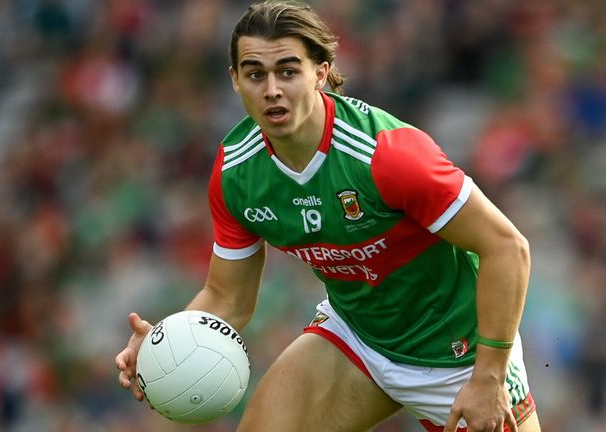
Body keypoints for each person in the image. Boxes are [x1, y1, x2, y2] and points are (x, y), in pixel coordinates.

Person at [115, 1, 541, 431]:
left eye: (288, 71)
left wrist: (489, 376)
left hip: (461, 353)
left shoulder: (387, 155)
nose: (272, 90)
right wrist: (162, 346)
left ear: (321, 73)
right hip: (357, 338)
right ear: (235, 81)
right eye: (255, 74)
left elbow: (507, 248)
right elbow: (228, 298)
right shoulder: (236, 174)